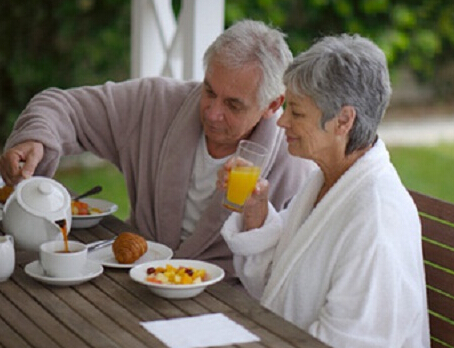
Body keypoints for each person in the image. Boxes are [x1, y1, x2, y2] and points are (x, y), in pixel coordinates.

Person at [0, 20, 313, 277]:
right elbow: (62, 106)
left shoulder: (296, 164)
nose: (212, 112)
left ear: (272, 105)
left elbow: (286, 276)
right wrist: (36, 138)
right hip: (132, 280)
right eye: (209, 91)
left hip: (226, 305)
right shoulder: (155, 103)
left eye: (233, 104)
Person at [218, 34, 430, 348]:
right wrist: (256, 210)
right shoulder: (326, 181)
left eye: (297, 113)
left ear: (343, 120)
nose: (282, 122)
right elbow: (277, 284)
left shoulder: (378, 219)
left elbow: (353, 342)